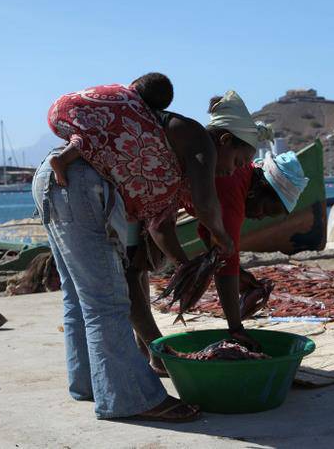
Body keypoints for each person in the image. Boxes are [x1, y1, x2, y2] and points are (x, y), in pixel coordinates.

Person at [33, 78, 254, 421]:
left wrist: (184, 265)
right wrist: (221, 237)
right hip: (77, 187)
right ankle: (131, 399)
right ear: (224, 141)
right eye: (239, 160)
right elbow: (207, 203)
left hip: (58, 182)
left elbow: (160, 225)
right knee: (108, 300)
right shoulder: (198, 141)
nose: (235, 170)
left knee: (79, 296)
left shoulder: (167, 159)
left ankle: (89, 383)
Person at [132, 146, 308, 374]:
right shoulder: (233, 190)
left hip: (152, 196)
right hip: (140, 190)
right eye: (266, 209)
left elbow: (209, 235)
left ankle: (147, 349)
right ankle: (158, 355)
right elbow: (227, 259)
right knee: (130, 271)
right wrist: (235, 327)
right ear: (261, 188)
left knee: (139, 269)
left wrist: (236, 273)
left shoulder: (242, 178)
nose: (261, 216)